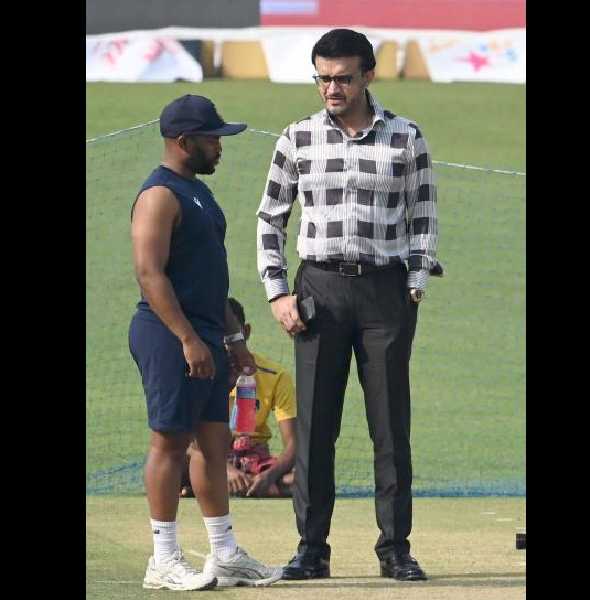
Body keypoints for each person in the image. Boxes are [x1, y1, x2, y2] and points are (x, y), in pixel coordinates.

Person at [255, 29, 442, 582]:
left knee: (390, 426)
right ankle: (311, 550)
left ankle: (395, 548)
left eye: (341, 77)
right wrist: (277, 291)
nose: (330, 88)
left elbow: (424, 216)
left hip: (386, 294)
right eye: (322, 78)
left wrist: (414, 286)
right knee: (315, 427)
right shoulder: (297, 138)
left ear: (368, 76)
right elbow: (270, 218)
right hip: (319, 291)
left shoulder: (407, 137)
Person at [129, 94, 282, 591]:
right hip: (168, 333)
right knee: (170, 442)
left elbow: (209, 278)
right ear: (182, 142)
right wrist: (188, 339)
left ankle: (225, 554)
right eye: (212, 138)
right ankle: (163, 560)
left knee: (214, 445)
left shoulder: (198, 193)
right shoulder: (159, 196)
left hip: (206, 337)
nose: (220, 147)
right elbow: (150, 275)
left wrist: (234, 339)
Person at [182, 297, 297, 499]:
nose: (225, 343)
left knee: (309, 479)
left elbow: (294, 443)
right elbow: (188, 440)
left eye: (231, 335)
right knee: (175, 463)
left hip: (256, 461)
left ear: (246, 332)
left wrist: (269, 476)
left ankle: (214, 487)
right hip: (209, 456)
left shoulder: (275, 375)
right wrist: (227, 470)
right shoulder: (197, 369)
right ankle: (238, 486)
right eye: (216, 333)